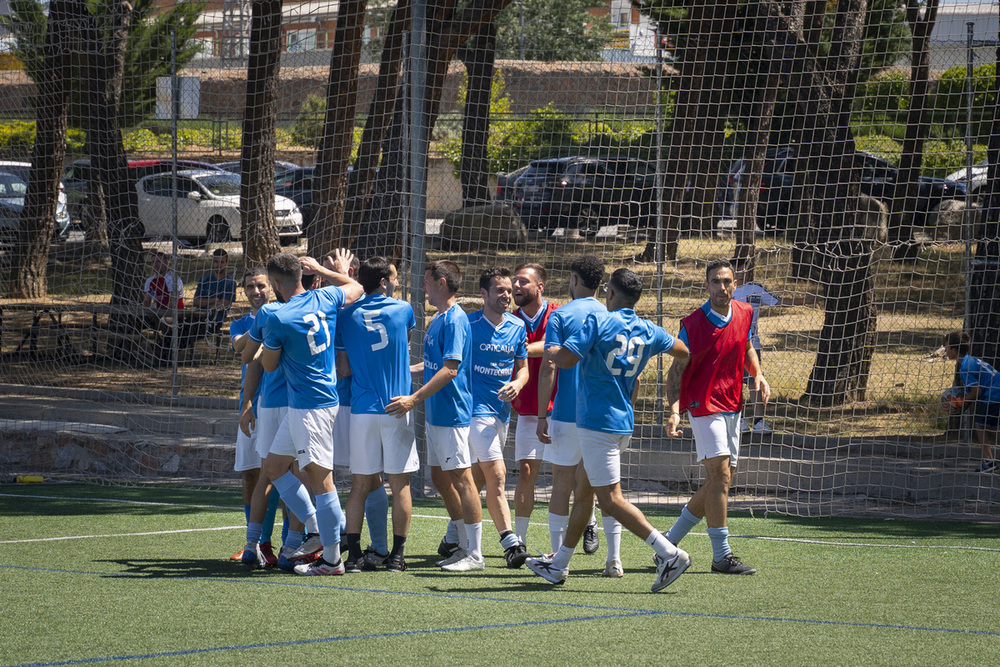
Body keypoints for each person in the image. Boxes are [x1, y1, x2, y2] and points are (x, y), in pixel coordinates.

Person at [526, 268, 691, 592]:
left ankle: (669, 554)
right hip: (622, 423)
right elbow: (683, 351)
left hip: (597, 424)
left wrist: (551, 350)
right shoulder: (647, 329)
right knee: (584, 493)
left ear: (610, 295)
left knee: (611, 500)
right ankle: (558, 565)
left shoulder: (599, 322)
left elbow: (567, 360)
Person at [257, 250, 363, 576]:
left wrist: (262, 342)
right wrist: (322, 270)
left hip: (310, 407)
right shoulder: (326, 297)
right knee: (274, 466)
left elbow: (269, 365)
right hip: (308, 403)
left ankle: (332, 560)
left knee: (322, 481)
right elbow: (355, 287)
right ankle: (318, 527)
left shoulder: (278, 316)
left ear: (276, 282)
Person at [662, 258, 769, 575]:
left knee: (718, 482)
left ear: (735, 284)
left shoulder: (746, 313)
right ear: (706, 286)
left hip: (733, 404)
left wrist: (758, 375)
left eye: (727, 281)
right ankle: (721, 556)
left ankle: (667, 545)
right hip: (702, 405)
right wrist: (673, 411)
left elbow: (746, 347)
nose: (722, 287)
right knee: (720, 478)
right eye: (715, 282)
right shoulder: (692, 324)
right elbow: (675, 371)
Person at [386, 260, 485, 573]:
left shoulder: (455, 319)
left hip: (452, 412)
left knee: (462, 479)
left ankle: (476, 553)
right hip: (436, 413)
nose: (423, 287)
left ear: (442, 282)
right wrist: (401, 371)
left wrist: (414, 398)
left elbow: (450, 369)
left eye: (427, 282)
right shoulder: (439, 318)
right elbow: (432, 365)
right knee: (440, 478)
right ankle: (461, 540)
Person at [536, 255, 618, 575]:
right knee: (602, 486)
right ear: (600, 284)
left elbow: (550, 366)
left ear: (573, 279)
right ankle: (614, 559)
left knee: (561, 483)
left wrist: (542, 414)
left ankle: (558, 557)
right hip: (601, 414)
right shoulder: (612, 314)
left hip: (568, 413)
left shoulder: (561, 315)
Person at [336, 256, 419, 573]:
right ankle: (396, 557)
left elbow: (343, 367)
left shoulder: (346, 316)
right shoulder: (403, 310)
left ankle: (354, 556)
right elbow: (401, 345)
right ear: (384, 281)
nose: (397, 282)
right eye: (395, 277)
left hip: (362, 409)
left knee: (359, 485)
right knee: (400, 484)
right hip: (397, 407)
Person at [466, 267, 529, 568]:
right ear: (484, 294)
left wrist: (518, 382)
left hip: (501, 413)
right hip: (475, 412)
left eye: (509, 289)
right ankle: (510, 543)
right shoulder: (468, 325)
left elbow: (524, 368)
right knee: (498, 476)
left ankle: (454, 534)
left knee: (479, 477)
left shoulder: (517, 327)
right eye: (500, 290)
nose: (507, 295)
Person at [228, 267, 282, 565]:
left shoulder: (284, 315)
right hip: (248, 408)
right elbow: (239, 346)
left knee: (276, 474)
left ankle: (279, 543)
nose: (256, 291)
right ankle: (255, 541)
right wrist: (260, 324)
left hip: (278, 406)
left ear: (272, 287)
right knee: (250, 474)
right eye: (250, 287)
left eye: (261, 285)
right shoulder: (241, 323)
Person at [732, 261, 815, 434]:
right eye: (736, 271)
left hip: (751, 345)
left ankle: (759, 421)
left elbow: (778, 301)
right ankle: (738, 420)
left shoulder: (755, 289)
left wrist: (802, 301)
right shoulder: (726, 292)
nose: (740, 274)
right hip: (731, 345)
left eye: (743, 271)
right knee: (735, 383)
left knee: (755, 382)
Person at [510, 263, 559, 549]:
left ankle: (588, 519)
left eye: (523, 282)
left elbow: (555, 345)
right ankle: (520, 539)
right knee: (527, 471)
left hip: (562, 409)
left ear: (540, 286)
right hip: (528, 411)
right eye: (515, 282)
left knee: (572, 474)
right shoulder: (511, 320)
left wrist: (520, 348)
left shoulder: (559, 313)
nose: (517, 286)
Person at [943, 331, 1000, 473]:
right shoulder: (969, 360)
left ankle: (988, 461)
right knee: (990, 427)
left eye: (947, 347)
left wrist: (959, 402)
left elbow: (977, 392)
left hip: (995, 392)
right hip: (995, 389)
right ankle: (989, 461)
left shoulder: (965, 367)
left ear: (954, 351)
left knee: (980, 425)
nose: (945, 350)